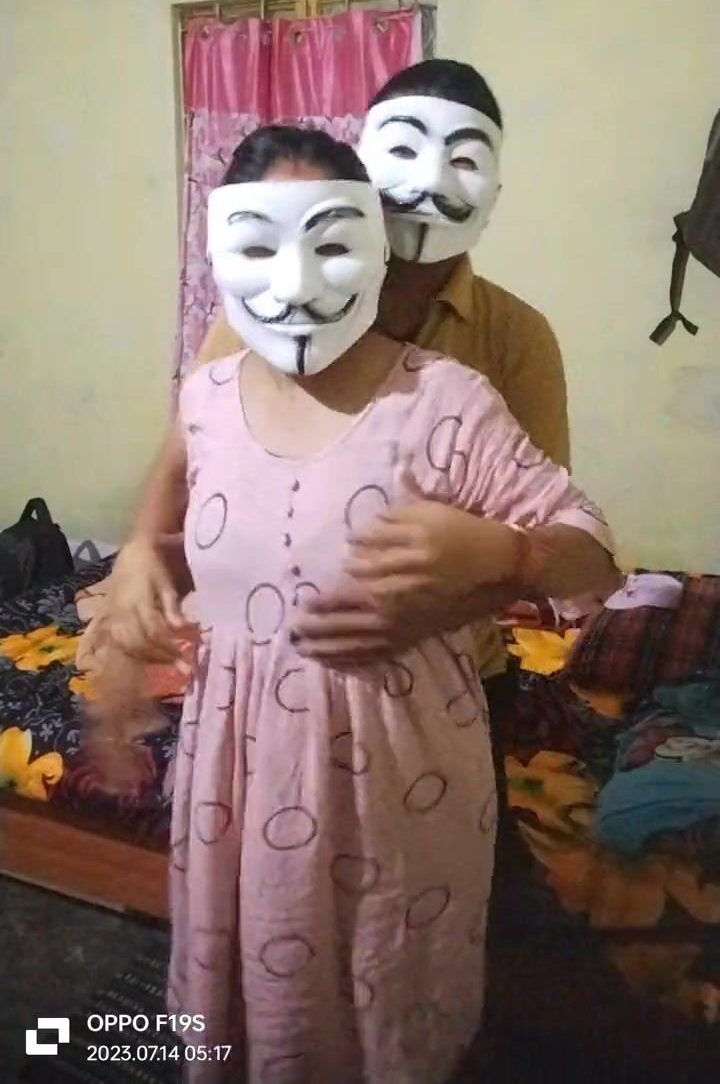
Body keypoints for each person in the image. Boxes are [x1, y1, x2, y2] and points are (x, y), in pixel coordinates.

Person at [94, 125, 616, 1083]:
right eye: (259, 246)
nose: (294, 284)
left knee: (383, 1006)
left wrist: (506, 550)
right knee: (248, 1007)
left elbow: (595, 559)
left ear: (375, 247)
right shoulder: (206, 397)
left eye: (329, 243)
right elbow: (209, 531)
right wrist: (138, 571)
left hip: (395, 785)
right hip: (235, 778)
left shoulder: (444, 401)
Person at [80, 59, 569, 679]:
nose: (430, 181)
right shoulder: (273, 305)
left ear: (494, 195)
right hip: (261, 660)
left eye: (466, 161)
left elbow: (548, 533)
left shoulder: (517, 336)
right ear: (362, 170)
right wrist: (138, 550)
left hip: (442, 670)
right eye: (403, 149)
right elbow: (187, 450)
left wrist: (437, 609)